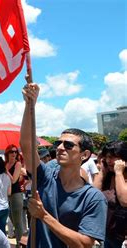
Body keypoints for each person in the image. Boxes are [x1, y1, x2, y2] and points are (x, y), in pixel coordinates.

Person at [20, 82, 107, 247]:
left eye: (68, 145)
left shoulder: (93, 198)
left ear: (85, 155)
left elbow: (84, 244)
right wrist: (29, 105)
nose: (60, 148)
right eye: (58, 143)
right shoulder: (45, 178)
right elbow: (27, 145)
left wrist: (43, 215)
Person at [93, 141, 127, 248]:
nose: (108, 161)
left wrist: (119, 173)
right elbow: (93, 195)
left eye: (112, 157)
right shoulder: (108, 176)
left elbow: (124, 201)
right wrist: (102, 171)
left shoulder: (119, 175)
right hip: (109, 234)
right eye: (106, 157)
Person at [4, 144, 24, 247]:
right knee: (12, 219)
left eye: (16, 151)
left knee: (17, 221)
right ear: (7, 153)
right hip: (7, 195)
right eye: (12, 151)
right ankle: (21, 240)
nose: (14, 153)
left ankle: (19, 244)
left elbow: (14, 180)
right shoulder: (5, 163)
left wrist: (5, 170)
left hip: (16, 194)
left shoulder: (18, 164)